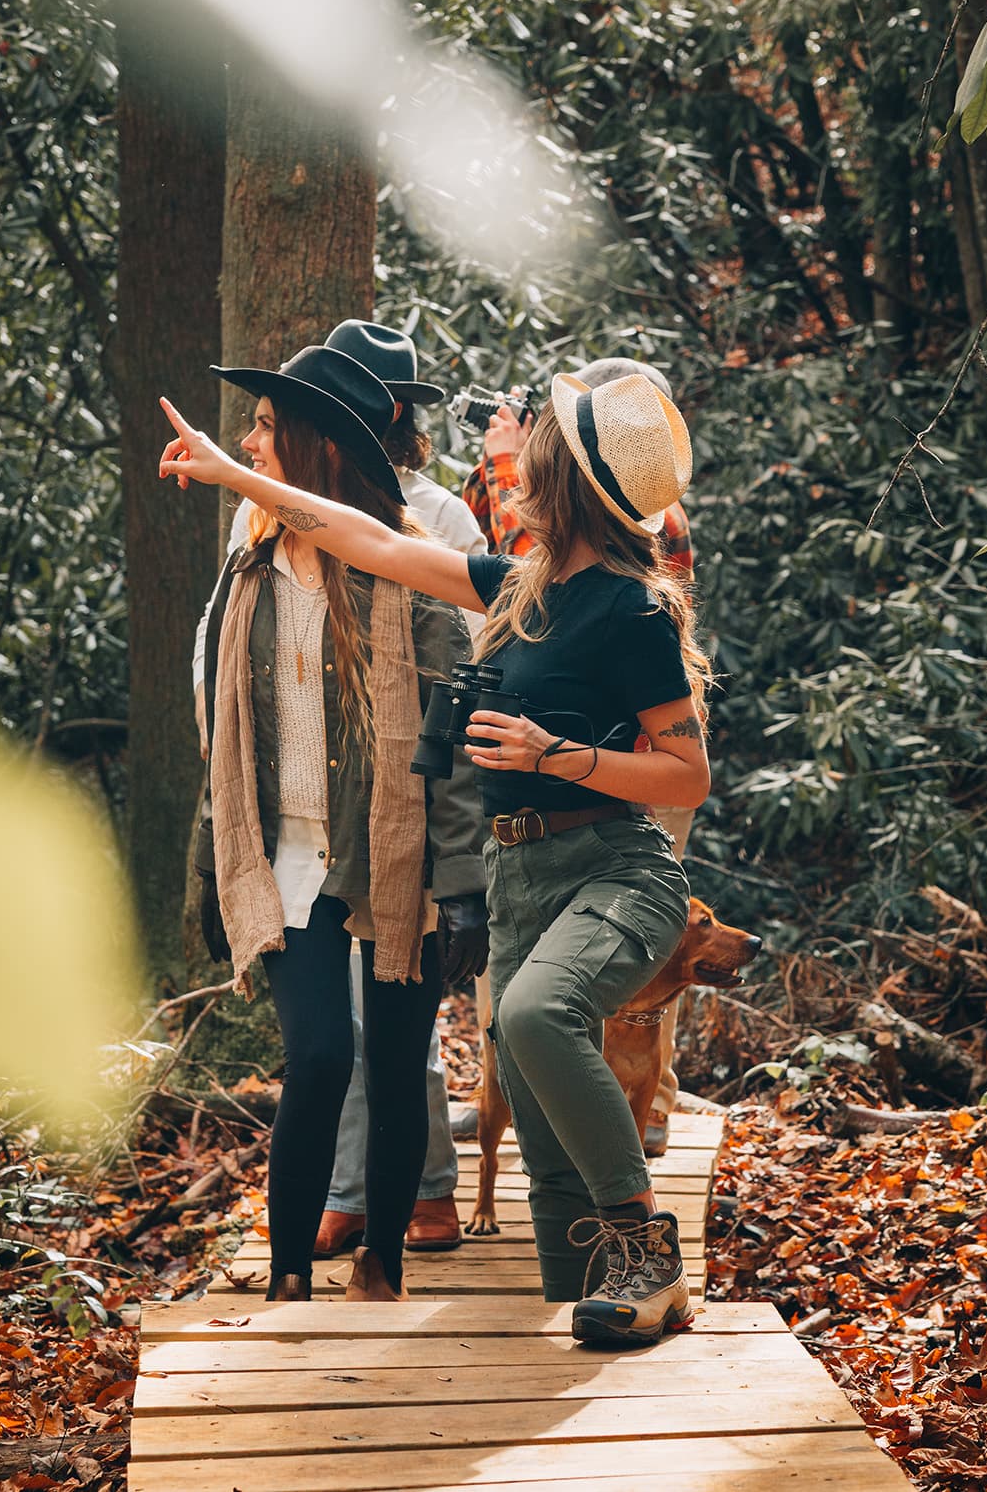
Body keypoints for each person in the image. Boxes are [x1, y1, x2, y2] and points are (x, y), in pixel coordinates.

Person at [164, 357, 712, 1349]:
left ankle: (647, 1248)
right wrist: (231, 473)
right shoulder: (516, 586)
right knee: (542, 1148)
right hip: (520, 878)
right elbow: (366, 534)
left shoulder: (630, 609)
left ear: (566, 485)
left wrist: (562, 755)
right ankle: (586, 1320)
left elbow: (686, 775)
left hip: (610, 863)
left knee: (540, 1018)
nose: (511, 472)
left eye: (529, 459)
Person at [190, 340, 482, 1304]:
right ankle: (284, 1276)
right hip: (289, 855)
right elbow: (224, 739)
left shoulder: (404, 568)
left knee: (397, 1064)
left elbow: (454, 741)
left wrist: (464, 886)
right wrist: (211, 869)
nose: (250, 440)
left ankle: (383, 1261)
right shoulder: (250, 567)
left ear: (314, 444)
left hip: (393, 855)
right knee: (316, 1053)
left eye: (268, 426)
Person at [463, 367, 696, 1155]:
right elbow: (394, 548)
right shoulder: (572, 563)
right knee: (547, 1008)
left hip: (615, 794)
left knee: (567, 991)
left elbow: (684, 766)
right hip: (543, 821)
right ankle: (623, 1105)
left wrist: (553, 752)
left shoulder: (628, 593)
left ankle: (640, 1116)